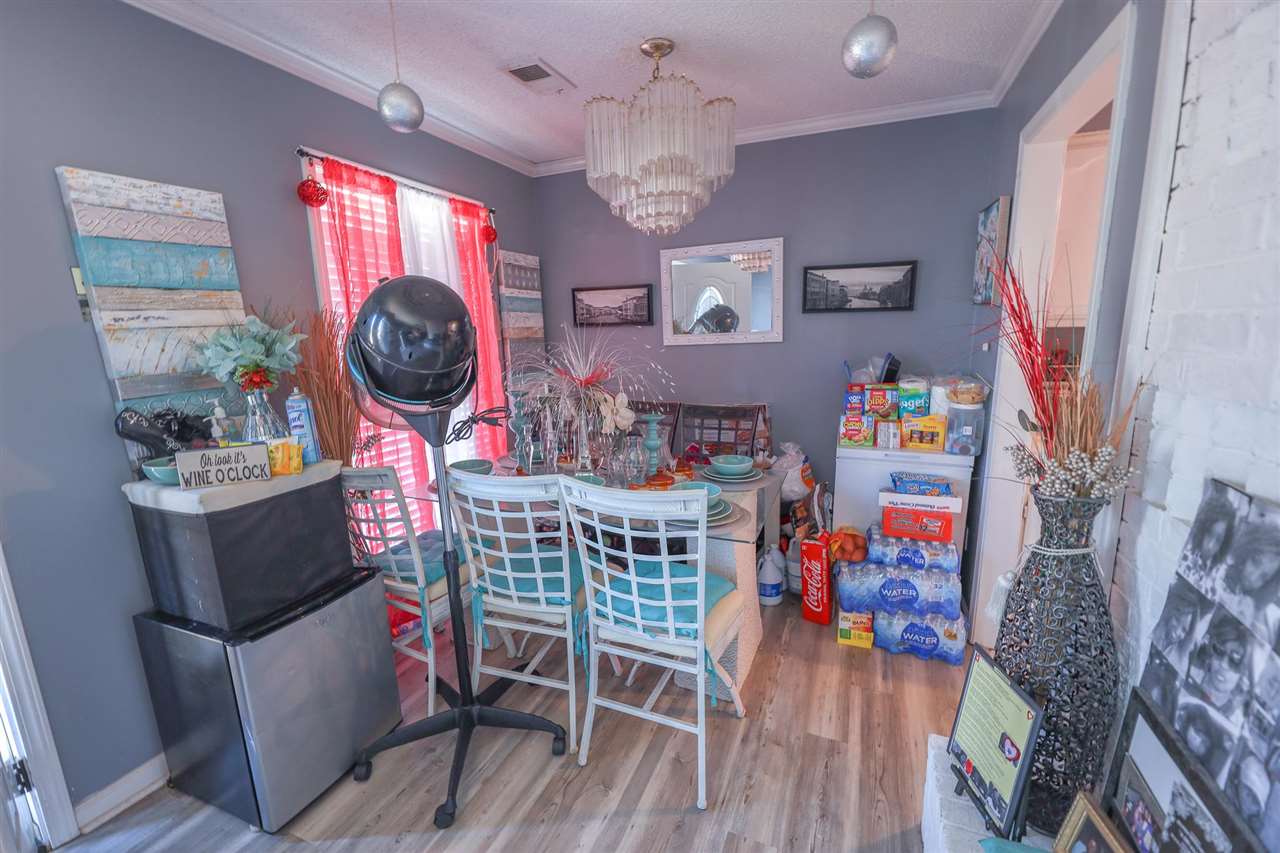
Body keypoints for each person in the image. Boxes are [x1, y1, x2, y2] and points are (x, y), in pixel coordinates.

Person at [1216, 521, 1280, 645]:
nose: (1253, 577)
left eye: (1263, 577)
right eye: (1255, 562)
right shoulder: (1218, 572)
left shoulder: (1250, 606)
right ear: (1247, 551)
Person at [1187, 612, 1255, 720]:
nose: (1223, 664)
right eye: (1219, 651)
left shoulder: (1236, 720)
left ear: (1243, 673)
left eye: (1234, 661)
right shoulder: (1186, 672)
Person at [1180, 487, 1243, 591]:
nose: (1211, 546)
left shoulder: (1219, 573)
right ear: (1202, 530)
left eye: (1218, 540)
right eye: (1209, 534)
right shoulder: (1184, 558)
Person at [1152, 579, 1208, 672]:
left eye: (1184, 630)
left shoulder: (1177, 655)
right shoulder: (1152, 628)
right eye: (1177, 620)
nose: (1178, 632)